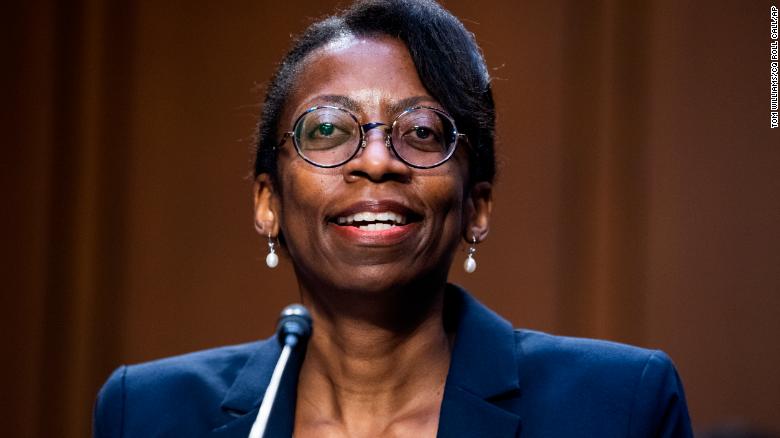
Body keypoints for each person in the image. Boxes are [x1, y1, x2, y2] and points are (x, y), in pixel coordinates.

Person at [93, 0, 693, 436]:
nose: (377, 161)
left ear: (476, 206)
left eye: (422, 132)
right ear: (267, 202)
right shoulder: (147, 413)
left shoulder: (618, 406)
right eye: (327, 129)